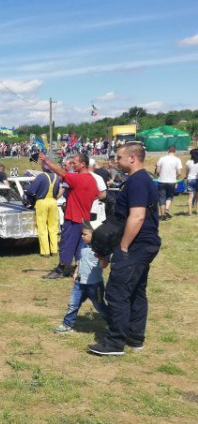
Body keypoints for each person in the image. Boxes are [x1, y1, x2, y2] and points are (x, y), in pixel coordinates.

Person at [89, 142, 161, 356]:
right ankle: (134, 336)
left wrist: (123, 245)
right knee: (136, 290)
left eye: (119, 157)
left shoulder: (138, 181)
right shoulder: (139, 179)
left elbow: (137, 216)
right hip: (143, 244)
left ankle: (114, 343)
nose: (116, 161)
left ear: (132, 158)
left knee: (117, 292)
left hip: (136, 245)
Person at [39, 153, 99, 279]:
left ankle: (61, 269)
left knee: (66, 244)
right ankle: (78, 269)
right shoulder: (92, 180)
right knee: (79, 246)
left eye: (74, 163)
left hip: (73, 218)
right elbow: (96, 195)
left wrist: (46, 160)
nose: (72, 165)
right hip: (84, 219)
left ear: (83, 164)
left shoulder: (78, 178)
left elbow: (61, 172)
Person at [54, 223, 107, 333]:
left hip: (94, 284)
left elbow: (104, 265)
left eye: (84, 234)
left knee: (99, 306)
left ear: (93, 236)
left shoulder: (101, 248)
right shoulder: (83, 246)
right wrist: (76, 272)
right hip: (79, 283)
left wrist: (102, 257)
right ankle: (67, 325)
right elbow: (80, 261)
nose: (82, 236)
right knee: (73, 304)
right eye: (82, 234)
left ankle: (113, 323)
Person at [25, 163, 61, 257]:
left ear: (43, 168)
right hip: (53, 202)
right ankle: (54, 250)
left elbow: (31, 191)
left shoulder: (41, 177)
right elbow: (57, 191)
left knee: (42, 227)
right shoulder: (56, 177)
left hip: (42, 202)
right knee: (53, 227)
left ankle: (45, 252)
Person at [155, 145, 183, 220]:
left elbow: (157, 171)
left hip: (162, 180)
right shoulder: (177, 160)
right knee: (170, 196)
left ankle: (163, 214)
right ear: (175, 151)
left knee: (161, 197)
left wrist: (160, 174)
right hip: (172, 181)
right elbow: (179, 172)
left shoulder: (162, 159)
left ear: (168, 150)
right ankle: (167, 209)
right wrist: (175, 177)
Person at [185, 148, 198, 215]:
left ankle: (190, 213)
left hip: (190, 180)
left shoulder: (188, 162)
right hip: (197, 180)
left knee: (190, 197)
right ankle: (197, 211)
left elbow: (187, 173)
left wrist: (186, 177)